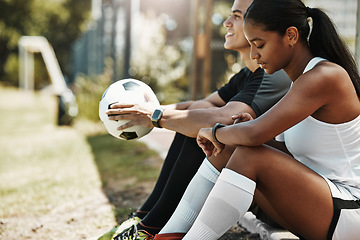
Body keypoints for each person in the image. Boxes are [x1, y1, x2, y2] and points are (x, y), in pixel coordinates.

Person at [153, 0, 360, 239]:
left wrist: (215, 131)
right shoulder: (301, 81)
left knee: (247, 151)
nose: (253, 54)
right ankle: (168, 235)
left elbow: (254, 135)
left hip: (349, 211)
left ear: (291, 35)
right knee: (231, 147)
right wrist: (234, 132)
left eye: (259, 44)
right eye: (250, 44)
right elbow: (291, 153)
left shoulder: (324, 76)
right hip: (324, 202)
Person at [97, 0, 291, 239]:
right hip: (258, 186)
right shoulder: (247, 74)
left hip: (280, 199)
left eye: (237, 16)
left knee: (204, 128)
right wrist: (147, 110)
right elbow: (202, 106)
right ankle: (144, 220)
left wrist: (154, 116)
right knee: (194, 123)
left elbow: (221, 117)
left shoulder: (273, 76)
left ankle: (148, 229)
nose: (226, 22)